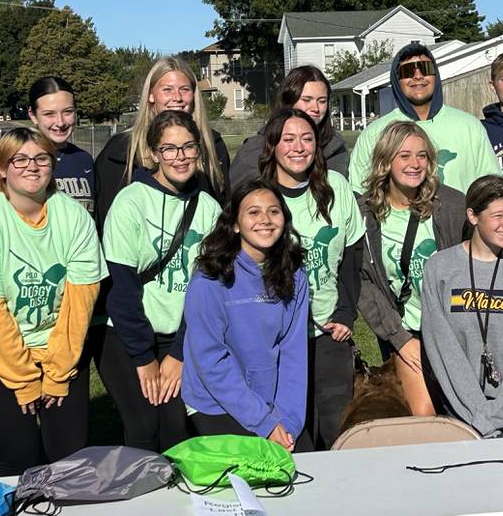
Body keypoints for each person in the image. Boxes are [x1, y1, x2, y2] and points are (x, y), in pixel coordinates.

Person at [0, 127, 106, 476]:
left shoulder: (73, 217)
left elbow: (80, 300)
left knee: (70, 459)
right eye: (19, 159)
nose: (32, 166)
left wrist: (57, 372)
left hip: (59, 346)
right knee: (18, 456)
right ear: (2, 169)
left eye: (41, 158)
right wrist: (23, 380)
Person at [100, 110, 222, 452]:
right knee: (143, 426)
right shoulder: (130, 202)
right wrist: (144, 358)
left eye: (188, 147)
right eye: (169, 149)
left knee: (175, 430)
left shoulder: (209, 208)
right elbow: (121, 290)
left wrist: (179, 352)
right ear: (154, 153)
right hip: (128, 335)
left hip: (179, 335)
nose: (180, 157)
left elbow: (208, 291)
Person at [259, 108, 365, 450]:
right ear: (273, 146)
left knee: (336, 429)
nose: (298, 147)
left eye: (307, 139)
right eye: (288, 139)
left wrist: (346, 312)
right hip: (278, 339)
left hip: (328, 331)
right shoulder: (258, 197)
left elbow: (352, 253)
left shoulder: (336, 187)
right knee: (292, 434)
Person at [181, 180, 309, 451]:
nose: (265, 220)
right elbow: (210, 360)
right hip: (216, 402)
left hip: (271, 400)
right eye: (253, 212)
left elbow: (293, 353)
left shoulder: (295, 276)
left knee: (302, 463)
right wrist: (264, 423)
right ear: (236, 224)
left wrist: (288, 422)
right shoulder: (210, 280)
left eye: (274, 212)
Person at [421, 175, 503, 438]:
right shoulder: (440, 268)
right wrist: (477, 411)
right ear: (473, 216)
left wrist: (497, 414)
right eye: (498, 215)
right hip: (461, 404)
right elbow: (442, 348)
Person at [358, 121, 466, 416]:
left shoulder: (453, 205)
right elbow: (363, 283)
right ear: (386, 161)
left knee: (463, 413)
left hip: (454, 331)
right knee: (424, 414)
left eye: (422, 156)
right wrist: (399, 338)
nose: (415, 164)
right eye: (404, 156)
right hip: (406, 331)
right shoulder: (365, 214)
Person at [95, 56, 229, 233]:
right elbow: (108, 220)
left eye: (184, 89)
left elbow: (225, 208)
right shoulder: (122, 149)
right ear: (151, 95)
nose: (177, 98)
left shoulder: (212, 145)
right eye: (167, 90)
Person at [348, 43, 499, 195]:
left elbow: (492, 186)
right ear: (396, 79)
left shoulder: (470, 127)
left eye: (425, 69)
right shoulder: (374, 133)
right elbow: (359, 192)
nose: (418, 76)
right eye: (408, 71)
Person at [0, 76, 95, 212]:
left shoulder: (84, 160)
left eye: (67, 112)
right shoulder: (15, 161)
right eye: (49, 114)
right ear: (32, 115)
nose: (60, 122)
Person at [230, 65, 349, 190]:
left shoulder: (335, 147)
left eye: (322, 101)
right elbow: (236, 201)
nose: (316, 108)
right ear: (289, 101)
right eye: (307, 100)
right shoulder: (255, 149)